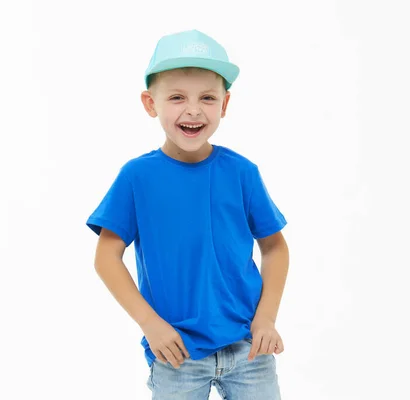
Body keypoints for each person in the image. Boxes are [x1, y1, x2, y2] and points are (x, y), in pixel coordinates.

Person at [86, 29, 290, 399]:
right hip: (175, 352)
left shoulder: (242, 173)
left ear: (225, 105)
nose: (193, 110)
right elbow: (106, 256)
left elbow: (275, 247)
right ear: (151, 104)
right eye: (177, 97)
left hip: (249, 347)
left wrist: (266, 319)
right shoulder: (137, 177)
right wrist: (150, 324)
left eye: (207, 98)